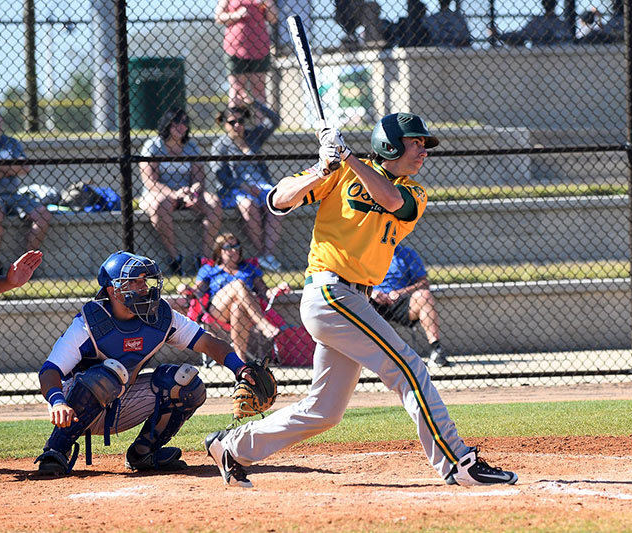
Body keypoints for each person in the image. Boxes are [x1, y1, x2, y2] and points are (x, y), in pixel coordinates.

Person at [204, 112, 518, 488]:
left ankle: (231, 446)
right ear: (390, 145)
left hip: (355, 300)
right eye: (415, 143)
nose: (423, 152)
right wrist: (323, 167)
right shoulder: (338, 171)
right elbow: (276, 200)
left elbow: (387, 198)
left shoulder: (413, 193)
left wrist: (349, 157)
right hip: (329, 292)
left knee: (325, 410)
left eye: (423, 145)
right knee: (409, 369)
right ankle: (458, 463)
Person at [34, 250, 254, 476]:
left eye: (143, 281)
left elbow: (208, 343)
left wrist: (241, 368)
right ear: (113, 291)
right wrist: (58, 401)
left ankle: (143, 453)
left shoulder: (160, 315)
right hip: (73, 406)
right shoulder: (90, 323)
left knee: (187, 384)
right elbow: (49, 371)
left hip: (122, 401)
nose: (143, 287)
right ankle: (56, 449)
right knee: (108, 375)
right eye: (133, 282)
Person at [139, 108, 222, 275]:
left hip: (187, 194)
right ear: (167, 124)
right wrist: (174, 194)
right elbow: (150, 181)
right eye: (176, 122)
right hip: (160, 193)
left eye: (185, 122)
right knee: (159, 205)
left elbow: (199, 178)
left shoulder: (191, 146)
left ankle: (205, 259)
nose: (181, 126)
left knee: (214, 203)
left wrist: (193, 190)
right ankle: (175, 258)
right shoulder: (153, 145)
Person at [210, 103, 282, 271]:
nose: (237, 125)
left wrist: (253, 103)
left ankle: (267, 255)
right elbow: (220, 175)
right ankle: (262, 253)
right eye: (232, 122)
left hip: (262, 185)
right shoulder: (219, 146)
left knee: (277, 203)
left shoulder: (253, 136)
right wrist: (242, 185)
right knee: (249, 205)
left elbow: (274, 121)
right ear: (224, 124)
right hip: (235, 189)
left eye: (241, 121)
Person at [193, 233, 285, 360]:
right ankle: (263, 324)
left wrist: (277, 289)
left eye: (236, 246)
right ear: (219, 251)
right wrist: (185, 289)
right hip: (219, 309)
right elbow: (197, 291)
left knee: (237, 307)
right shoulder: (209, 269)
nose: (234, 250)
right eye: (228, 247)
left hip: (245, 310)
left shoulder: (249, 268)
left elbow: (264, 292)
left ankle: (240, 362)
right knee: (238, 284)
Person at [0, 102, 51, 276]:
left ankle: (26, 265)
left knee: (43, 214)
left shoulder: (11, 142)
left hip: (14, 194)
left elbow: (25, 168)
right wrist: (11, 168)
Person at [371, 244, 451, 367]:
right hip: (372, 300)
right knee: (359, 298)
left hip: (400, 301)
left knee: (424, 295)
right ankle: (365, 354)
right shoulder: (367, 252)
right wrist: (371, 292)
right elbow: (352, 281)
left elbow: (423, 283)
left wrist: (400, 293)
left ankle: (437, 350)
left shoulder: (407, 253)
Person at [215, 0, 278, 109]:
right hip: (235, 46)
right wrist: (236, 15)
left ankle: (262, 122)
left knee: (259, 88)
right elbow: (218, 17)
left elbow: (273, 18)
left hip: (259, 47)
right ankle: (235, 121)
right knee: (236, 88)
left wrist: (268, 3)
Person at [488, 0, 569, 47]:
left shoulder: (537, 22)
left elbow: (518, 36)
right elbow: (518, 37)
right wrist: (498, 35)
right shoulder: (561, 24)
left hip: (544, 55)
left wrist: (498, 35)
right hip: (542, 55)